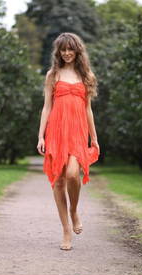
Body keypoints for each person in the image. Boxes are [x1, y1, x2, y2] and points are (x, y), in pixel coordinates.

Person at [37, 32, 100, 251]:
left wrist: (94, 137)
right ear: (58, 51)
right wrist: (40, 135)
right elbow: (46, 107)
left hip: (77, 131)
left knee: (73, 174)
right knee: (58, 180)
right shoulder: (52, 75)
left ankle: (74, 210)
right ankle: (65, 230)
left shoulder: (86, 76)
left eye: (70, 49)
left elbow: (88, 109)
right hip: (56, 130)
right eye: (62, 50)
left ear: (77, 50)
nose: (66, 53)